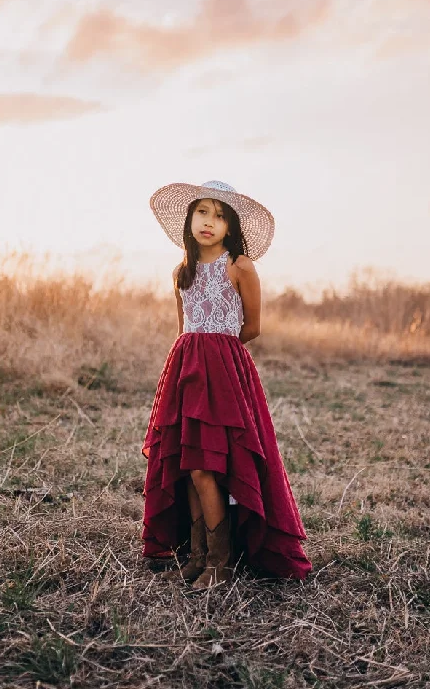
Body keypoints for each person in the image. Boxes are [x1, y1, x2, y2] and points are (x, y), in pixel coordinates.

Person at [142, 180, 312, 589]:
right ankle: (198, 555)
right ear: (189, 218)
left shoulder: (240, 266)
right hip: (186, 369)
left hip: (224, 370)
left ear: (230, 226)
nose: (209, 222)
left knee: (210, 467)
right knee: (189, 465)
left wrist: (219, 353)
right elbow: (183, 329)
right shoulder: (182, 272)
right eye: (202, 212)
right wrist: (194, 356)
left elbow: (251, 327)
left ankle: (221, 562)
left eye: (220, 216)